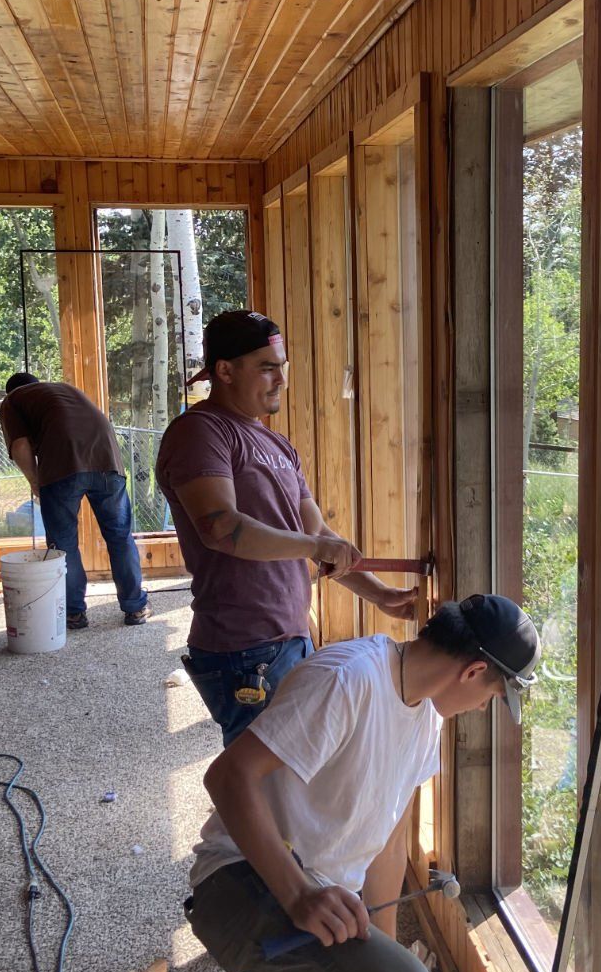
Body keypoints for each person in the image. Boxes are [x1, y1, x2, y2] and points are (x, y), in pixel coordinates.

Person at [90, 594, 541, 972]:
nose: (487, 705)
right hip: (242, 886)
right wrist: (298, 894)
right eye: (494, 693)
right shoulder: (347, 680)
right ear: (473, 672)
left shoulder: (425, 719)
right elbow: (227, 777)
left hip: (306, 904)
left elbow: (387, 839)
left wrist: (380, 956)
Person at [155, 310, 416, 743]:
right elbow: (220, 528)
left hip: (289, 637)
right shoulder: (200, 433)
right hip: (243, 648)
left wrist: (383, 596)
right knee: (265, 784)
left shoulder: (277, 444)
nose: (281, 380)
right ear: (224, 371)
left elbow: (321, 536)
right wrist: (314, 547)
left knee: (291, 778)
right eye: (267, 368)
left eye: (283, 368)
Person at [0, 373, 149, 630]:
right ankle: (135, 608)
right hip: (107, 459)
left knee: (63, 543)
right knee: (119, 536)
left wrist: (34, 481)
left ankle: (74, 613)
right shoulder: (63, 390)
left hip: (62, 465)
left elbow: (20, 446)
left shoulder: (13, 399)